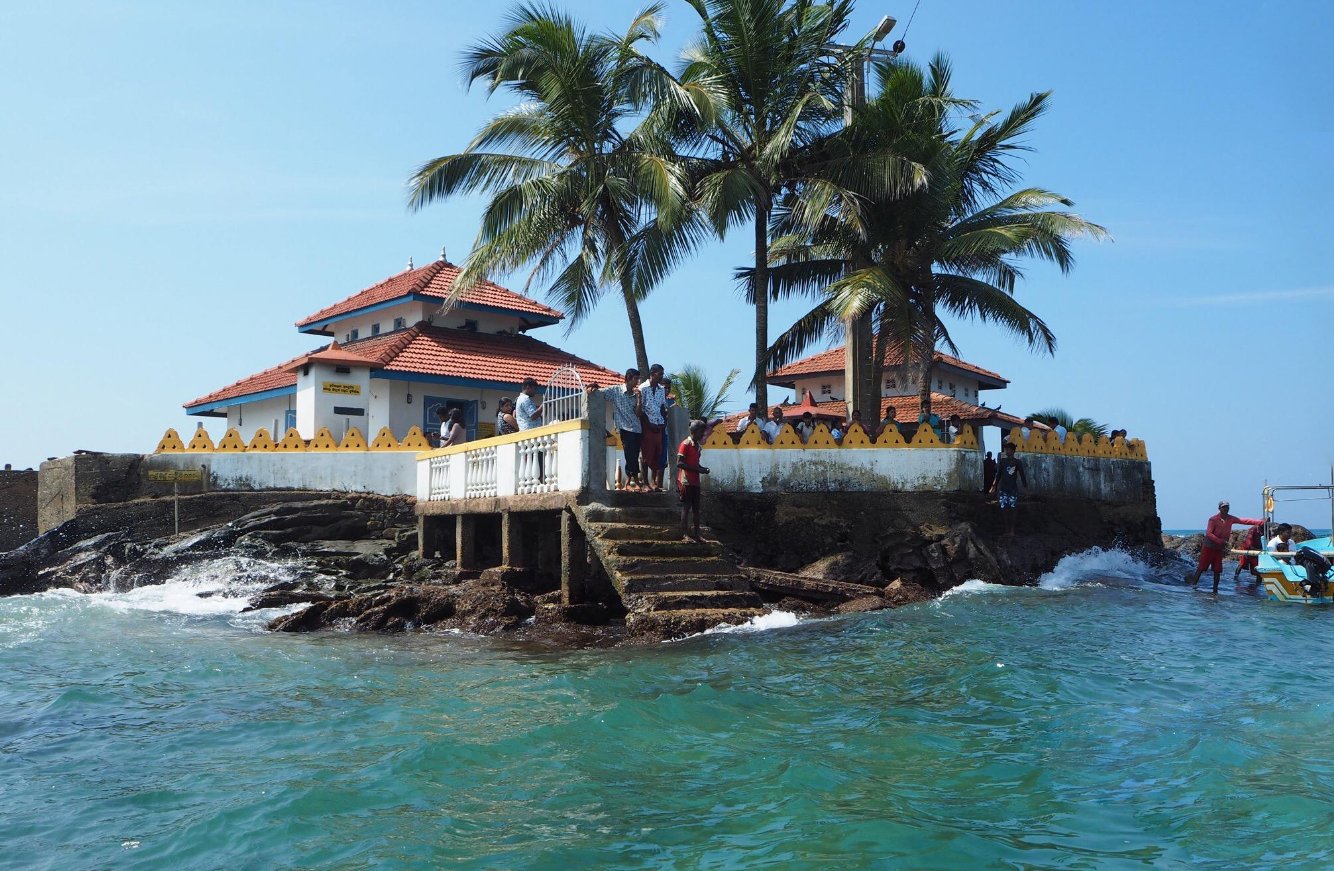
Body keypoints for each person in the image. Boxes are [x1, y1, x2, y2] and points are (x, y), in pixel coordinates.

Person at [1187, 501, 1264, 593]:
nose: (1226, 509)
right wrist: (1220, 541)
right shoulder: (1213, 519)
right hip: (1209, 547)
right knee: (1201, 568)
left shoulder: (1230, 518)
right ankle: (1193, 587)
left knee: (1217, 569)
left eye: (1227, 507)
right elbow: (1209, 534)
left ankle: (1215, 591)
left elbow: (1244, 521)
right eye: (1223, 507)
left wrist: (1260, 522)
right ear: (1219, 509)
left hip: (1219, 548)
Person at [588, 368, 643, 490]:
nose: (637, 382)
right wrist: (593, 388)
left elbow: (638, 413)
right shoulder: (616, 390)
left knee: (635, 455)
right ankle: (630, 482)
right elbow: (600, 393)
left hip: (637, 428)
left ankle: (633, 481)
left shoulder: (635, 394)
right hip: (624, 428)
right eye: (636, 379)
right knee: (629, 455)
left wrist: (639, 399)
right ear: (628, 378)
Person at [676, 419, 711, 542]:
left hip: (695, 481)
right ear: (694, 432)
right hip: (686, 481)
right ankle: (685, 535)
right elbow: (679, 463)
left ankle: (697, 534)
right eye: (701, 432)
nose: (703, 435)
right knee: (686, 508)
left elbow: (695, 464)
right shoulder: (685, 444)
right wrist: (698, 469)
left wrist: (702, 469)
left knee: (696, 509)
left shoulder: (697, 447)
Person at [638, 364, 670, 492]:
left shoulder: (661, 389)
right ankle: (645, 483)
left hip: (659, 425)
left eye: (662, 374)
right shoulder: (643, 388)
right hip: (647, 425)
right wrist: (649, 424)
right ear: (652, 373)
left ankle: (653, 482)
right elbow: (641, 410)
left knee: (657, 453)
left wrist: (664, 422)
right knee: (646, 454)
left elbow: (662, 407)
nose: (661, 376)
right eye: (659, 374)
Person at [989, 441, 1027, 535]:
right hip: (1003, 489)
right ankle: (1007, 529)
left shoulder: (1017, 462)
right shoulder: (1002, 461)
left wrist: (1025, 487)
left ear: (1013, 451)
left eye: (1008, 449)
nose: (1006, 451)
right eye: (1006, 449)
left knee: (1013, 509)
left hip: (1013, 489)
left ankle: (1012, 530)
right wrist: (994, 487)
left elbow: (1022, 475)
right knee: (1004, 510)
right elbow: (998, 475)